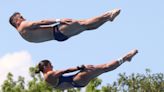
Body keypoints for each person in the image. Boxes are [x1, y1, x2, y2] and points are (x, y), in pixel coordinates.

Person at [35, 49, 138, 90]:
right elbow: (64, 71)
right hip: (77, 79)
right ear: (45, 67)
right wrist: (81, 67)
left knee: (104, 69)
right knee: (105, 67)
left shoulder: (47, 80)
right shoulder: (49, 75)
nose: (52, 66)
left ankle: (125, 59)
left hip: (78, 83)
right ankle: (125, 58)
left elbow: (62, 86)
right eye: (50, 65)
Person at [9, 9, 121, 43]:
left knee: (87, 26)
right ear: (16, 21)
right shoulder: (23, 25)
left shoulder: (23, 35)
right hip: (58, 30)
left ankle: (107, 19)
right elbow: (41, 22)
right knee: (85, 23)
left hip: (59, 37)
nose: (24, 18)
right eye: (21, 17)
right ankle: (108, 15)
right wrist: (59, 20)